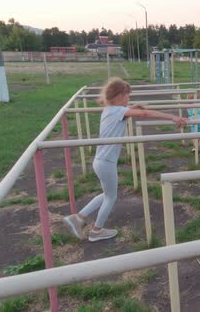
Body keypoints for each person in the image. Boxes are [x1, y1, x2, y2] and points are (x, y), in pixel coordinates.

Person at [64, 77, 188, 242]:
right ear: (119, 96)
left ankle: (77, 218)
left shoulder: (109, 110)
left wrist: (132, 108)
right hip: (106, 162)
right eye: (127, 95)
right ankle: (96, 231)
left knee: (107, 194)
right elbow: (143, 113)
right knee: (111, 197)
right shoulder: (118, 111)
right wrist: (173, 118)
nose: (129, 98)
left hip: (100, 161)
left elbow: (126, 114)